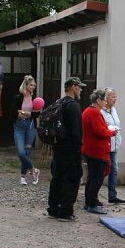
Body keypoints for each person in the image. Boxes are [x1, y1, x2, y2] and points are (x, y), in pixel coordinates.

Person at [46, 77, 85, 221]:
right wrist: (79, 148)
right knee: (71, 179)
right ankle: (66, 211)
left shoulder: (59, 103)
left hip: (58, 147)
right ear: (73, 87)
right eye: (79, 87)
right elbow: (76, 130)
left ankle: (53, 209)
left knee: (57, 178)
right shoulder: (73, 106)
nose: (81, 89)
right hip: (70, 149)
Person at [82, 89, 117, 214]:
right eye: (104, 100)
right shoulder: (94, 113)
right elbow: (100, 132)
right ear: (98, 100)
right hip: (97, 150)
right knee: (97, 178)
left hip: (90, 149)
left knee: (91, 177)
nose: (105, 102)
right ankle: (92, 203)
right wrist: (112, 132)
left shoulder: (87, 111)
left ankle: (89, 201)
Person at [13, 75, 40, 186]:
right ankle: (34, 170)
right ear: (26, 85)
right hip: (19, 126)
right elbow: (14, 111)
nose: (33, 87)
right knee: (21, 152)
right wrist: (27, 113)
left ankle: (23, 176)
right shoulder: (18, 98)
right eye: (31, 85)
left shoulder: (35, 99)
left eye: (34, 85)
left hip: (30, 127)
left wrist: (23, 112)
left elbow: (36, 114)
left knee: (27, 152)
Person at [101, 87, 125, 204]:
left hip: (114, 145)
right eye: (113, 97)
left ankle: (112, 195)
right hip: (105, 146)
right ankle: (92, 195)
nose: (115, 99)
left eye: (116, 96)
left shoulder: (114, 110)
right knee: (101, 171)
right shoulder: (101, 112)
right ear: (106, 98)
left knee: (114, 170)